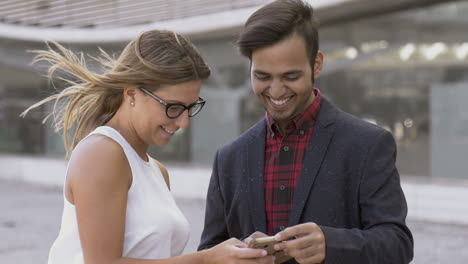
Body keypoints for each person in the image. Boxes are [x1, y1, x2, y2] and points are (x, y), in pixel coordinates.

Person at [21, 30, 274, 264]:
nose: (184, 122)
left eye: (190, 107)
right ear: (131, 95)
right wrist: (206, 259)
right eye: (173, 107)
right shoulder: (101, 153)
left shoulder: (157, 171)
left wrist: (233, 254)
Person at [198, 1, 414, 263]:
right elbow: (208, 253)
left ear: (317, 64)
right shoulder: (228, 159)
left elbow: (398, 246)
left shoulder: (368, 144)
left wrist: (331, 244)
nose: (276, 91)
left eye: (290, 76)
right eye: (263, 76)